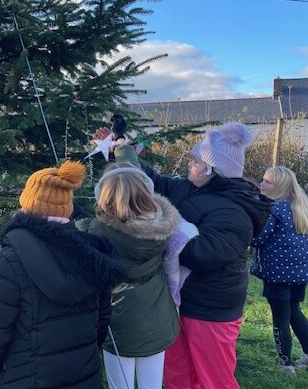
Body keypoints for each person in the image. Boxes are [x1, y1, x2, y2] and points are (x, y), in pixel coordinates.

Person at [113, 121, 272, 389]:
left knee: (214, 380)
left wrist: (159, 224)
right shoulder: (190, 186)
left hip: (210, 309)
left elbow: (201, 253)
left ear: (212, 170)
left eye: (196, 161)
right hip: (177, 302)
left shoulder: (234, 212)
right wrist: (120, 149)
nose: (190, 164)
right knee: (178, 376)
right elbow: (153, 182)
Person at [0, 160, 127, 389]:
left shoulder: (11, 259)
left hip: (28, 378)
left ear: (28, 205)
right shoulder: (92, 256)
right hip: (84, 376)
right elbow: (101, 320)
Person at [87, 163, 180, 389]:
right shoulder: (162, 227)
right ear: (145, 192)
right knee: (152, 384)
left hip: (118, 321)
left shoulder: (99, 230)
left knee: (121, 385)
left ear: (105, 196)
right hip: (156, 319)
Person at [251, 166, 308, 374]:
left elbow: (258, 239)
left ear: (280, 187)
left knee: (280, 318)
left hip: (277, 274)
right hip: (300, 274)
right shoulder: (300, 205)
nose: (261, 184)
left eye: (267, 182)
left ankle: (285, 364)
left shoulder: (274, 209)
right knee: (294, 312)